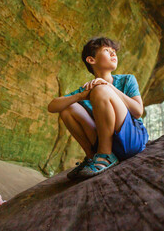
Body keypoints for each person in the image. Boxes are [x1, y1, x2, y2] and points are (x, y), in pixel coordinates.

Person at [47, 37, 149, 179]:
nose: (114, 54)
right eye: (107, 51)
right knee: (68, 109)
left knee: (101, 90)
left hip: (131, 141)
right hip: (110, 145)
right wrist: (81, 96)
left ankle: (105, 155)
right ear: (91, 60)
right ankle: (92, 157)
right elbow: (52, 106)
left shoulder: (127, 80)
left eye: (114, 51)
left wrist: (109, 87)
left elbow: (138, 112)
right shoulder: (89, 88)